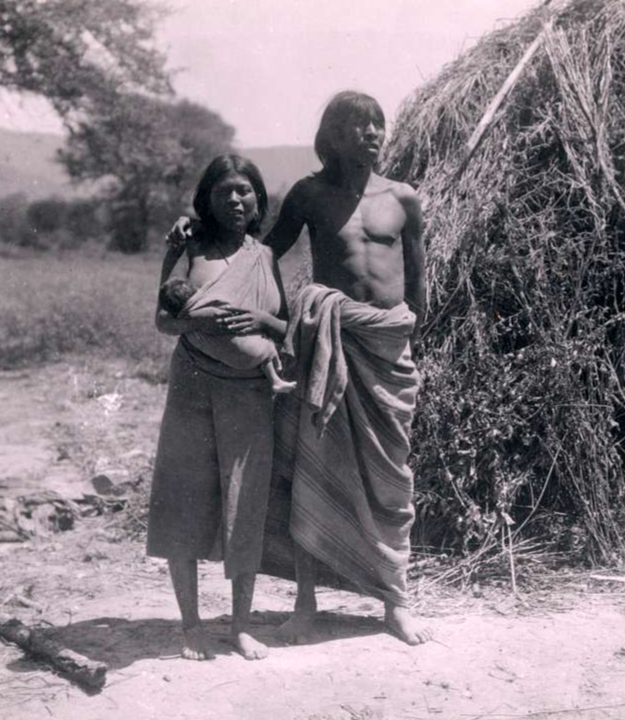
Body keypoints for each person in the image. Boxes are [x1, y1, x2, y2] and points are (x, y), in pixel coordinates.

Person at [169, 91, 432, 646]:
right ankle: (305, 603)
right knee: (312, 472)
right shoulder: (309, 196)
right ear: (331, 135)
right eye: (358, 125)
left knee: (392, 480)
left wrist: (401, 336)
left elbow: (420, 286)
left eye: (378, 125)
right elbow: (254, 253)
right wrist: (191, 234)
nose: (372, 134)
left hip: (384, 350)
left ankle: (396, 601)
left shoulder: (405, 199)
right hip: (325, 349)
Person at [148, 154, 289, 661]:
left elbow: (285, 329)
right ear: (206, 199)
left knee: (245, 502)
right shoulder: (189, 249)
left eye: (245, 191)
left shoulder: (266, 258)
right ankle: (190, 625)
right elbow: (163, 322)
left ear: (257, 200)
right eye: (224, 191)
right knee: (185, 499)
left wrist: (257, 317)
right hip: (193, 386)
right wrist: (199, 325)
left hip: (251, 390)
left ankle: (241, 625)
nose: (235, 200)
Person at [158, 276, 296, 394]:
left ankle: (275, 377)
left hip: (229, 360)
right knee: (262, 342)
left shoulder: (186, 321)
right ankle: (276, 377)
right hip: (252, 352)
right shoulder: (207, 301)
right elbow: (226, 305)